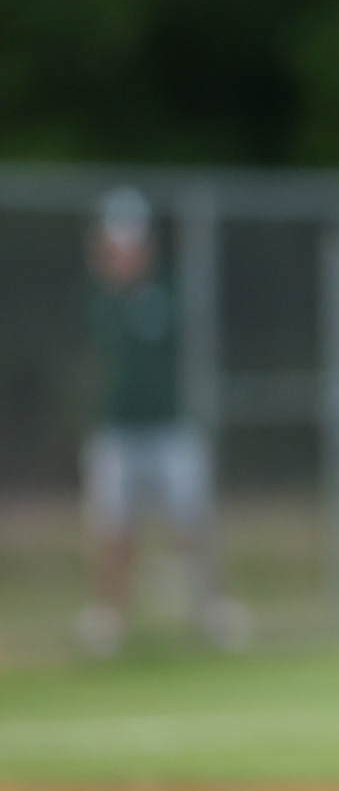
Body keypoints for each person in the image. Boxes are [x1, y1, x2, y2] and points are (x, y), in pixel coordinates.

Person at [75, 187, 249, 657]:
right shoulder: (100, 299)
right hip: (118, 430)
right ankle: (108, 620)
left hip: (170, 426)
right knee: (114, 530)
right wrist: (110, 276)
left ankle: (213, 612)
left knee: (194, 522)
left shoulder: (169, 292)